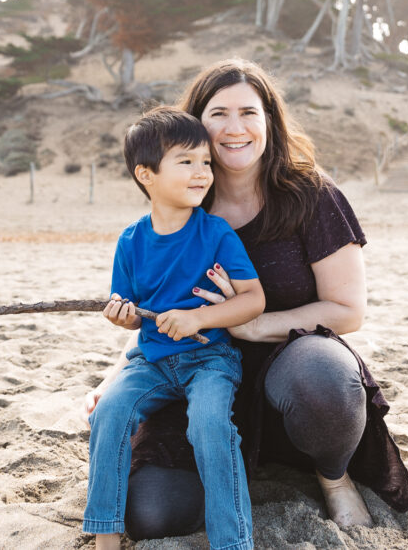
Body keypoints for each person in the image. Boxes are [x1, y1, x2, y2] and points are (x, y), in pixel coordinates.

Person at [83, 59, 408, 541]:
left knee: (323, 381)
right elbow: (158, 301)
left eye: (249, 113)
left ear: (269, 122)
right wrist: (115, 375)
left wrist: (252, 324)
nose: (234, 128)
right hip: (190, 365)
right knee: (154, 515)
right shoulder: (185, 198)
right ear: (196, 126)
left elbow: (349, 311)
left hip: (288, 364)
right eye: (218, 114)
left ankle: (332, 475)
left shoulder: (312, 197)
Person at [83, 106, 266, 550]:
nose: (202, 172)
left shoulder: (216, 233)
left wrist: (198, 318)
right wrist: (121, 314)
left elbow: (253, 299)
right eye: (186, 162)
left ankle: (233, 543)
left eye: (205, 162)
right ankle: (105, 537)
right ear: (146, 175)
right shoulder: (131, 241)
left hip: (210, 358)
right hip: (150, 358)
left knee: (208, 424)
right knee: (108, 413)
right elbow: (127, 306)